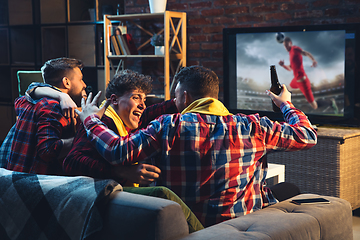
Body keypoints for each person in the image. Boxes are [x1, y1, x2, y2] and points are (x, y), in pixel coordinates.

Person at [75, 66, 317, 227]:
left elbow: (117, 151)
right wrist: (285, 104)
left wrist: (89, 118)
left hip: (189, 224)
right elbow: (307, 135)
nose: (174, 102)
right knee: (288, 189)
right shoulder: (253, 125)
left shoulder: (167, 126)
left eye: (176, 96)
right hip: (243, 222)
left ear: (186, 97)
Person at [63, 69, 203, 232]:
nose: (143, 105)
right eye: (136, 97)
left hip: (113, 197)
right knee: (162, 194)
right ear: (114, 100)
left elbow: (151, 112)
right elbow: (71, 163)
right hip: (96, 199)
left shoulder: (125, 118)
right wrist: (120, 171)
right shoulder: (103, 121)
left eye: (144, 99)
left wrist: (184, 100)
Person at [2, 57, 86, 175]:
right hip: (33, 181)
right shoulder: (53, 107)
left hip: (13, 172)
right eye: (81, 79)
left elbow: (28, 92)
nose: (84, 85)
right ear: (66, 82)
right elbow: (48, 150)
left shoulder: (27, 100)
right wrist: (86, 137)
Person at [279, 36, 319, 109]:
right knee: (287, 89)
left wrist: (313, 60)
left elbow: (305, 53)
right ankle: (289, 107)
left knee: (314, 106)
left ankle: (329, 102)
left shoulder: (295, 49)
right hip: (296, 80)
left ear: (290, 43)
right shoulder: (290, 54)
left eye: (286, 45)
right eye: (284, 46)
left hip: (303, 81)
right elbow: (290, 68)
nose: (286, 47)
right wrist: (283, 65)